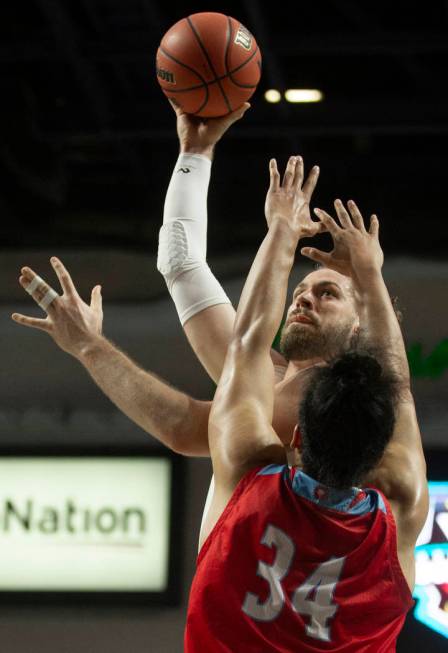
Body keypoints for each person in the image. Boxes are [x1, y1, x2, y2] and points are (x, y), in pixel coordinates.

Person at [184, 156, 428, 651]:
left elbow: (248, 341)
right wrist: (369, 279)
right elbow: (397, 388)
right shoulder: (401, 506)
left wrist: (282, 230)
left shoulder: (249, 474)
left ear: (294, 437)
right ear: (382, 453)